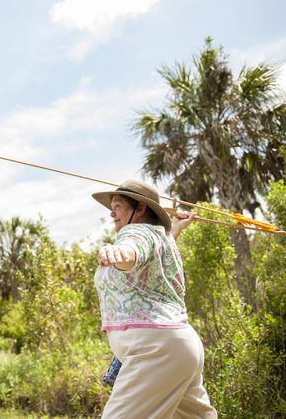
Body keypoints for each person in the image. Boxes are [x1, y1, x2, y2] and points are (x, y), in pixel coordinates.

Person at [92, 179, 217, 419]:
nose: (111, 212)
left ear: (139, 210)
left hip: (155, 351)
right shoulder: (162, 236)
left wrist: (120, 253)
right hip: (181, 348)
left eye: (118, 205)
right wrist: (178, 226)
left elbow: (134, 250)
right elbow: (154, 248)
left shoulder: (134, 233)